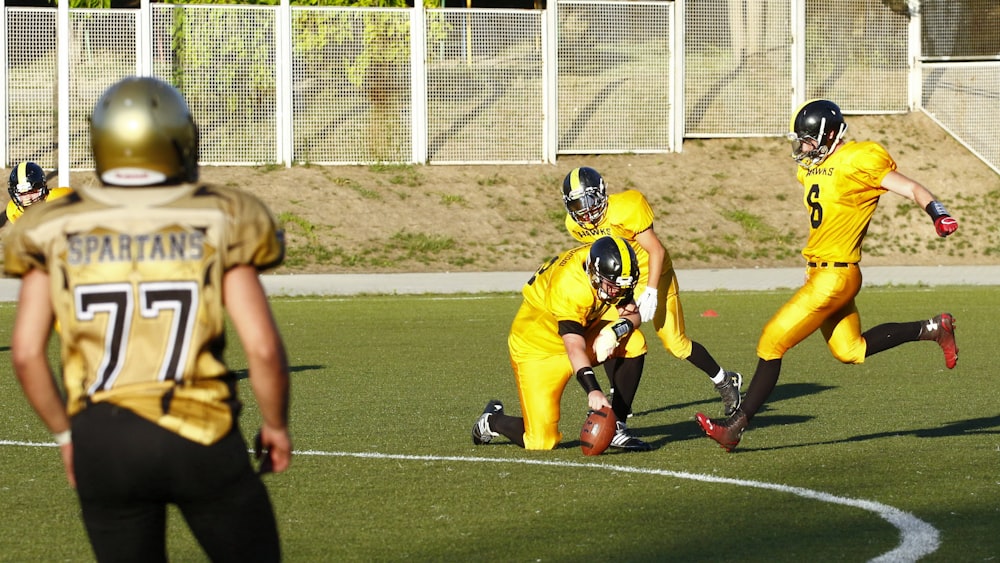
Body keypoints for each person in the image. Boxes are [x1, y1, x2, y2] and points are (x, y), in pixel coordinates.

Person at [5, 76, 292, 562]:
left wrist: (67, 435)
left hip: (104, 440)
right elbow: (262, 347)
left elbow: (27, 353)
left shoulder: (50, 226)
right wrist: (276, 425)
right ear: (179, 141)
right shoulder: (219, 215)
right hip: (201, 432)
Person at [695, 99, 959, 452]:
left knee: (772, 341)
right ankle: (933, 328)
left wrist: (937, 214)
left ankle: (735, 425)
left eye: (808, 139)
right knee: (851, 350)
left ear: (830, 135)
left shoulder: (859, 160)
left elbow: (912, 188)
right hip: (819, 273)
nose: (802, 147)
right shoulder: (812, 168)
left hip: (836, 276)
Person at [560, 166, 743, 438]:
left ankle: (724, 381)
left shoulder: (628, 207)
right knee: (610, 336)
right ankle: (617, 400)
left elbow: (655, 249)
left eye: (589, 202)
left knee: (676, 343)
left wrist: (652, 291)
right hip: (616, 281)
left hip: (651, 274)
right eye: (577, 205)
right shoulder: (575, 225)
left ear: (602, 194)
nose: (585, 212)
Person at [472, 236, 649, 451]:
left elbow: (633, 316)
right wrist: (593, 390)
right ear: (594, 273)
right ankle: (492, 421)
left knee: (634, 341)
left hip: (580, 333)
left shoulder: (609, 268)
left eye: (622, 286)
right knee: (541, 441)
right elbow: (574, 347)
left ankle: (616, 425)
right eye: (611, 286)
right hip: (538, 350)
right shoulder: (569, 285)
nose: (616, 292)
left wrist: (614, 331)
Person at [2, 161, 74, 226]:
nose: (28, 198)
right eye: (22, 194)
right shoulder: (14, 211)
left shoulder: (62, 196)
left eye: (32, 192)